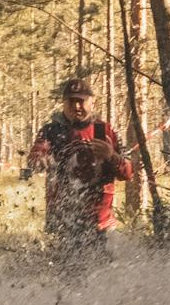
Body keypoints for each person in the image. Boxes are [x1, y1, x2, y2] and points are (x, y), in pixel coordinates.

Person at [22, 77, 133, 255]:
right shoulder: (51, 131)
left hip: (100, 222)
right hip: (62, 221)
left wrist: (111, 156)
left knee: (102, 274)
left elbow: (128, 173)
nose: (76, 107)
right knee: (65, 276)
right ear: (63, 103)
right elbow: (35, 156)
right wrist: (41, 160)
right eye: (71, 101)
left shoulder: (106, 131)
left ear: (92, 102)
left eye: (81, 101)